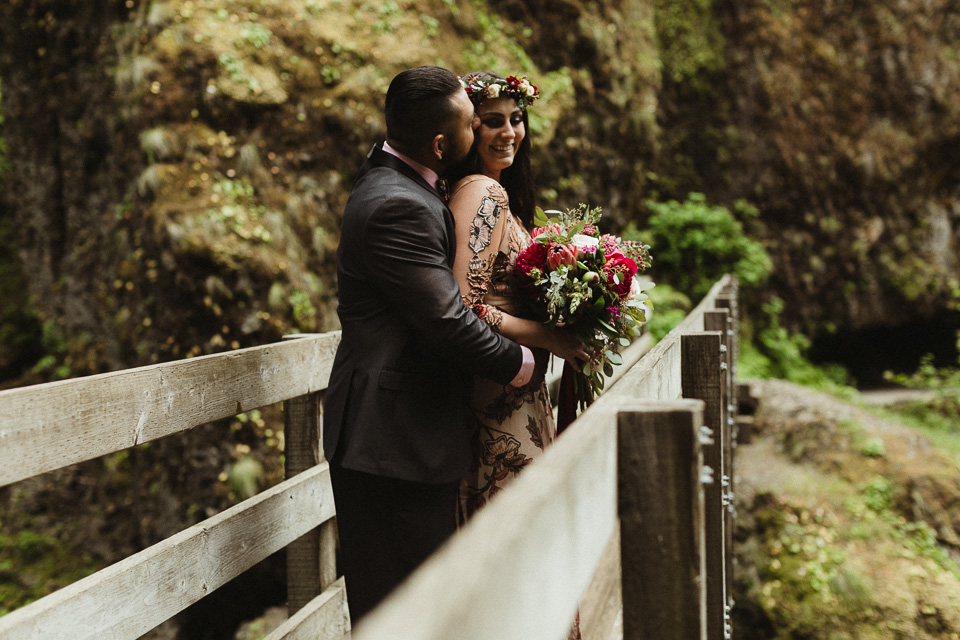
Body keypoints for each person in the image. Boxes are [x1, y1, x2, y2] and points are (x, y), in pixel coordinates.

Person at [322, 66, 541, 623]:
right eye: (473, 123)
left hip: (402, 433)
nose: (482, 131)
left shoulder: (402, 185)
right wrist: (524, 363)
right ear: (442, 144)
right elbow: (447, 319)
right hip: (391, 439)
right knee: (401, 611)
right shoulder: (400, 204)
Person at [447, 71, 585, 638]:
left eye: (517, 119)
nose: (509, 131)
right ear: (468, 129)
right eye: (493, 121)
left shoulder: (499, 195)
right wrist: (550, 337)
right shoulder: (483, 192)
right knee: (518, 536)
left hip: (516, 390)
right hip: (495, 397)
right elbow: (465, 304)